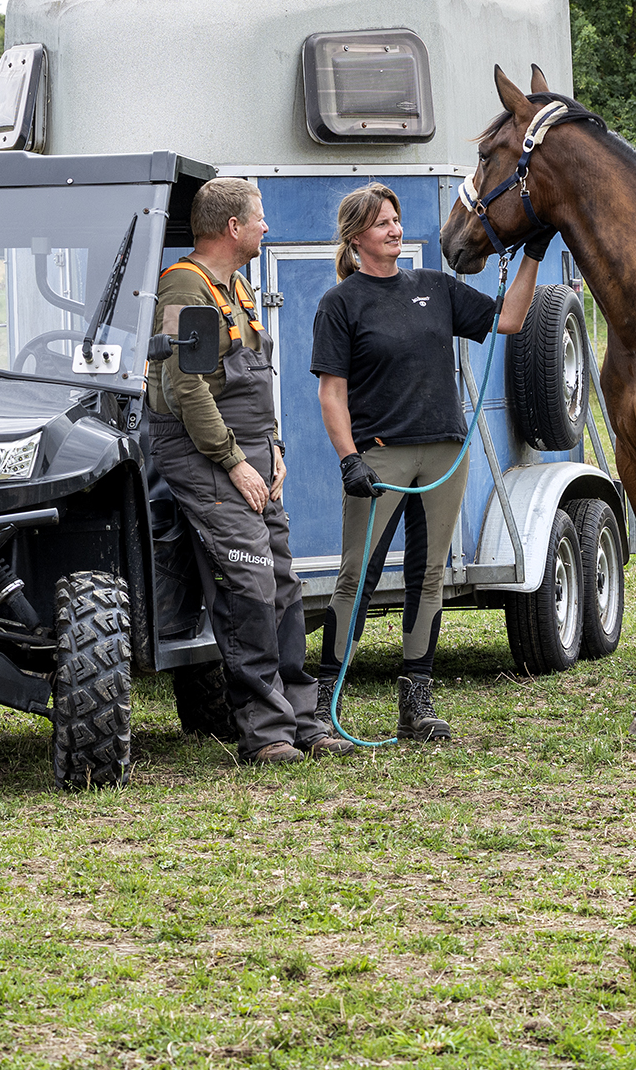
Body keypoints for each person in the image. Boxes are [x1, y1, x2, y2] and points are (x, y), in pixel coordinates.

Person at [310, 182, 542, 742]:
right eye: (383, 223)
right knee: (355, 578)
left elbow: (510, 318)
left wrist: (533, 249)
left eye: (396, 219)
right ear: (356, 238)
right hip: (381, 459)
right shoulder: (340, 303)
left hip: (444, 452)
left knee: (429, 575)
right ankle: (321, 705)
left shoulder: (436, 289)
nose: (396, 229)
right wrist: (349, 459)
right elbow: (331, 393)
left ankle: (416, 702)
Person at [146, 176, 345, 765]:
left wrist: (274, 448)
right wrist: (233, 462)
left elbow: (257, 374)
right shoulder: (184, 288)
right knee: (250, 583)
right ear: (233, 228)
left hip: (254, 450)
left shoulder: (238, 286)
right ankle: (265, 732)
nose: (267, 228)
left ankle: (302, 721)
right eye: (259, 219)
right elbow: (186, 388)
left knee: (283, 581)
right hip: (205, 453)